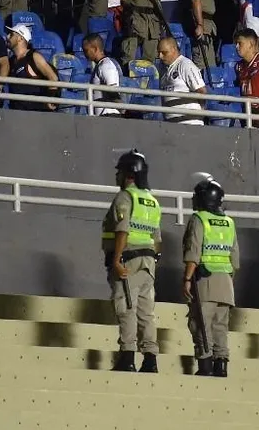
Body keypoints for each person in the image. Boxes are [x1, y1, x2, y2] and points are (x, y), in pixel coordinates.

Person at [103, 149, 162, 373]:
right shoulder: (152, 201)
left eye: (119, 172)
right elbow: (157, 240)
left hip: (127, 259)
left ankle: (127, 358)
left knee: (126, 306)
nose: (116, 177)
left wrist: (117, 259)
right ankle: (150, 359)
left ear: (129, 174)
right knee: (146, 312)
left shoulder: (125, 197)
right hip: (148, 263)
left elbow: (122, 230)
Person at [183, 173, 240, 377]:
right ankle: (221, 364)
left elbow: (193, 252)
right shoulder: (229, 223)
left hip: (204, 280)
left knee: (200, 323)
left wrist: (188, 278)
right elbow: (235, 259)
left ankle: (205, 365)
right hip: (226, 282)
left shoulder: (199, 219)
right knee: (220, 326)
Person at [6, 23, 59, 112]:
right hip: (16, 112)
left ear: (20, 38)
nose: (7, 37)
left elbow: (53, 78)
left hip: (35, 112)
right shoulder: (11, 61)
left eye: (11, 34)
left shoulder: (34, 56)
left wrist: (51, 97)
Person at [157, 37, 207, 125]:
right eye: (159, 52)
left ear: (174, 49)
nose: (160, 56)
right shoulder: (162, 69)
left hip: (190, 124)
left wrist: (199, 115)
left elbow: (201, 91)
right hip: (171, 125)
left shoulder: (185, 65)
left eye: (164, 53)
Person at [82, 33, 122, 116]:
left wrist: (124, 111)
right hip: (101, 117)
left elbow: (113, 93)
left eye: (86, 51)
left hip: (109, 116)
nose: (84, 54)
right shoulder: (99, 66)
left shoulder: (106, 66)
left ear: (95, 49)